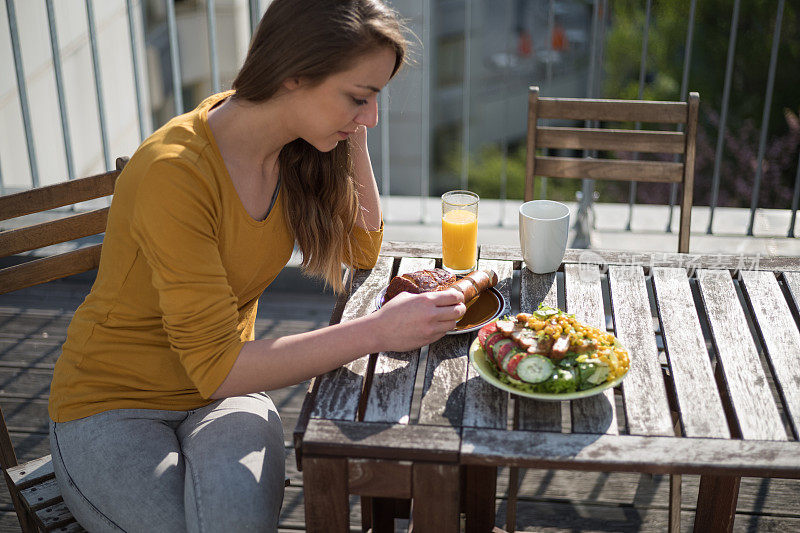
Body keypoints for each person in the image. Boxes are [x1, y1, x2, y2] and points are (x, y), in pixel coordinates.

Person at [47, 1, 466, 531]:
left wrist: (350, 134)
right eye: (360, 97)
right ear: (294, 75)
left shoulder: (294, 146)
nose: (372, 117)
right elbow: (216, 365)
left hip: (223, 399)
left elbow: (361, 249)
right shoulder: (175, 173)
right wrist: (377, 333)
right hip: (112, 402)